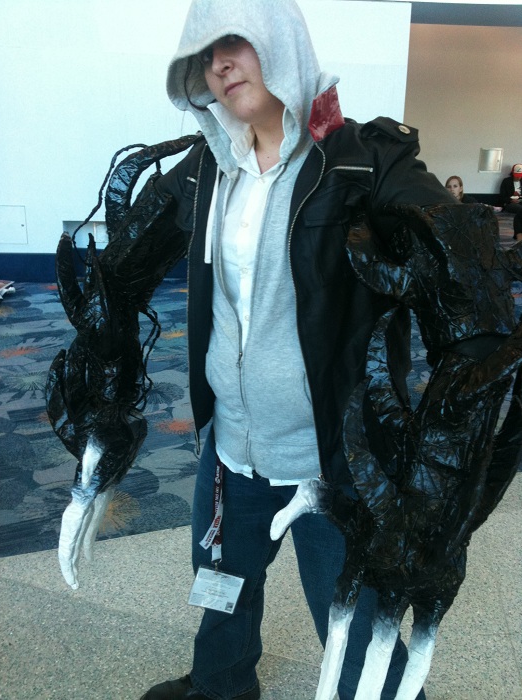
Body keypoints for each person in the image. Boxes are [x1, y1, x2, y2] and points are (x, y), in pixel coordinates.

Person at [135, 1, 461, 698]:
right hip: (232, 447)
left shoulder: (360, 162)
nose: (218, 64)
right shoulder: (210, 165)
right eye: (204, 54)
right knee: (221, 590)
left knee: (354, 623)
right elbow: (133, 252)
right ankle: (221, 686)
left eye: (234, 41)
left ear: (279, 41)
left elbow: (453, 250)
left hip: (328, 461)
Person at [500, 164, 522, 240]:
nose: (518, 177)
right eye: (517, 176)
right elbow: (502, 196)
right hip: (510, 203)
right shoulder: (506, 181)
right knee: (519, 209)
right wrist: (510, 200)